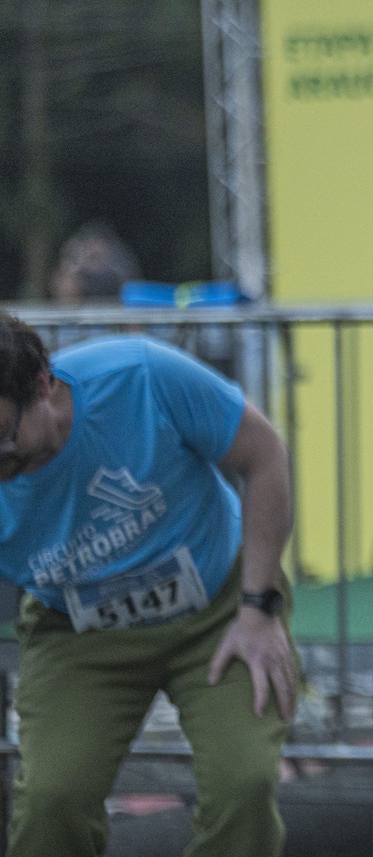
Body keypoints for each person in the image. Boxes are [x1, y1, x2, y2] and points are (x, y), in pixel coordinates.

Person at [0, 312, 298, 857]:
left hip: (220, 610)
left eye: (3, 438)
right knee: (51, 800)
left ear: (42, 384)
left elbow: (264, 455)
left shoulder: (140, 376)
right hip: (78, 632)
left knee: (245, 785)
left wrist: (259, 608)